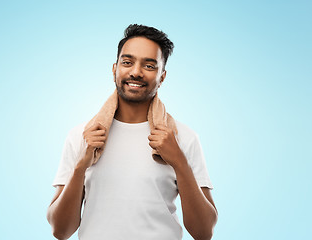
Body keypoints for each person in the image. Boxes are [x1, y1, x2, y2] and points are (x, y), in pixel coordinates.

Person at [47, 24, 218, 240]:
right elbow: (60, 231)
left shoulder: (183, 138)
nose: (136, 72)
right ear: (114, 69)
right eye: (127, 62)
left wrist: (180, 163)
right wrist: (81, 166)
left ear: (162, 77)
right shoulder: (82, 136)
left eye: (149, 65)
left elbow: (204, 233)